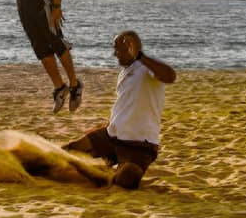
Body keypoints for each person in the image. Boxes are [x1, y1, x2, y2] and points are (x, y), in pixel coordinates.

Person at [63, 31, 177, 189]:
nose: (114, 54)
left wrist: (140, 56)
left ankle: (109, 171)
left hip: (139, 146)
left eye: (118, 49)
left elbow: (170, 76)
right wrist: (109, 125)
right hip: (111, 137)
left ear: (130, 48)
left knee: (126, 181)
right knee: (67, 152)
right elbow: (124, 104)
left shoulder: (147, 67)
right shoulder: (125, 71)